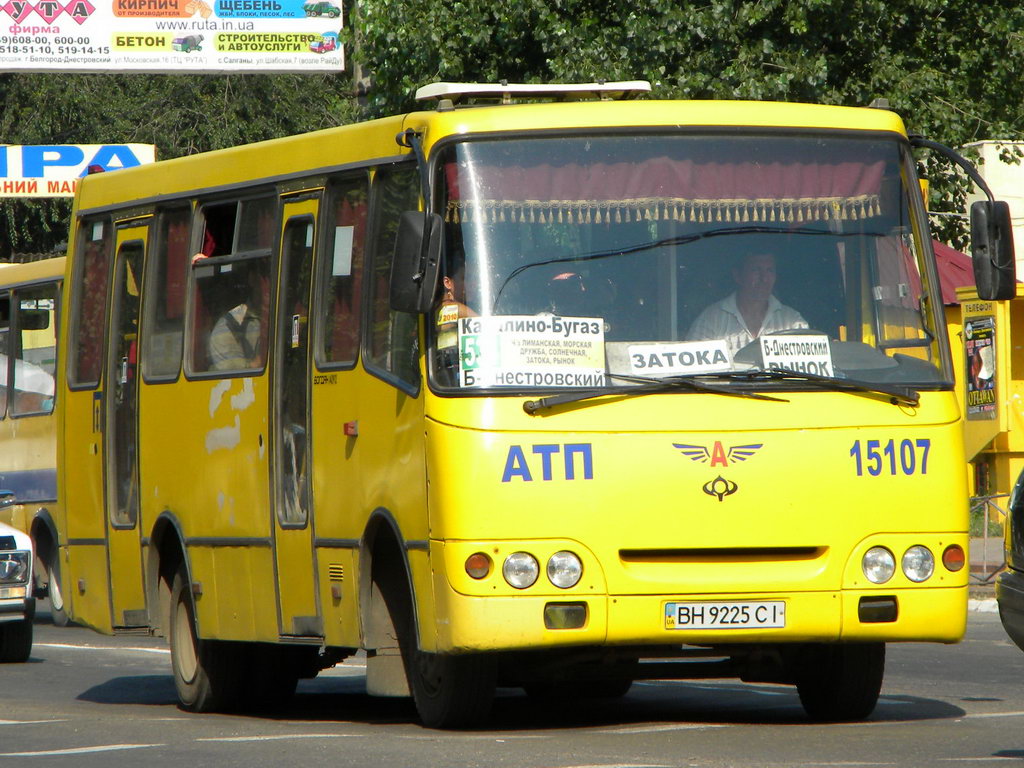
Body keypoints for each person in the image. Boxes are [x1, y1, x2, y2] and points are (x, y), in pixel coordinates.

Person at [687, 251, 808, 359]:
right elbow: (693, 369)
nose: (764, 278)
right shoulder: (711, 320)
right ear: (738, 276)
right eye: (756, 270)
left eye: (769, 270)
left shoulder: (793, 322)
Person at [207, 262, 266, 371]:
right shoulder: (229, 326)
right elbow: (234, 378)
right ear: (253, 278)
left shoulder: (286, 319)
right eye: (268, 276)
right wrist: (259, 362)